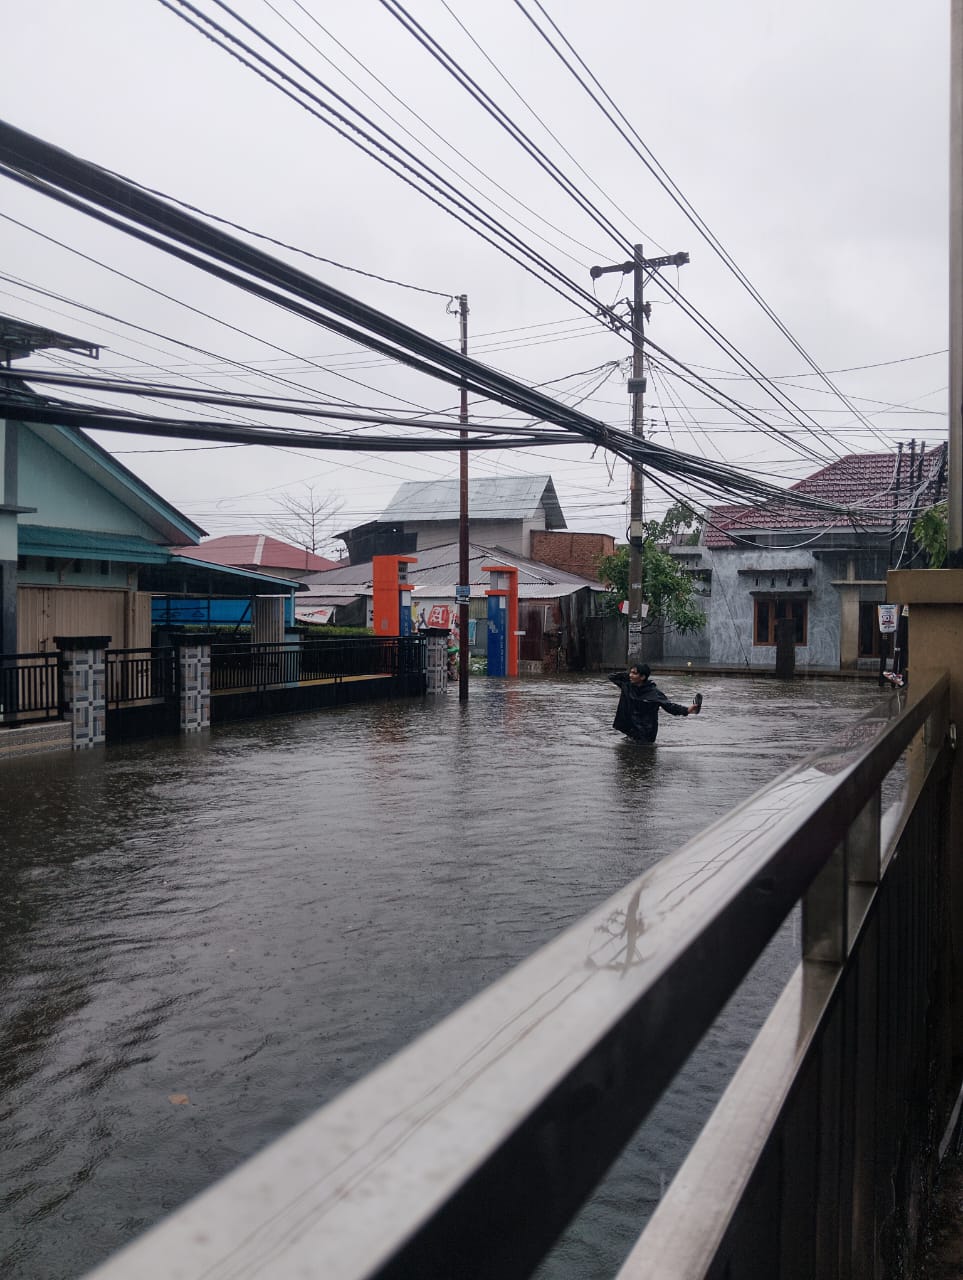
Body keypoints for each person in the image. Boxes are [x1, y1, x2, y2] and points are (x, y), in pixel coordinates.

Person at [608, 659, 702, 743]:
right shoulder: (627, 685)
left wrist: (687, 710)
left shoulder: (653, 693)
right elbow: (612, 676)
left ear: (643, 677)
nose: (630, 675)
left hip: (646, 733)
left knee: (644, 754)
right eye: (630, 672)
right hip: (630, 728)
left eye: (634, 673)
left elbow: (669, 706)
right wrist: (630, 674)